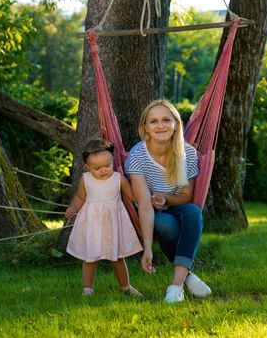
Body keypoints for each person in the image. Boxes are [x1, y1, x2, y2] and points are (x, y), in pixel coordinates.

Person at [124, 99, 212, 303]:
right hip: (150, 214)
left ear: (176, 124)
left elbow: (186, 197)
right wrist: (147, 248)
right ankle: (187, 276)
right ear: (145, 127)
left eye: (166, 120)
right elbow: (144, 205)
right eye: (153, 121)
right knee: (165, 223)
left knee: (193, 212)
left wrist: (165, 198)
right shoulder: (138, 155)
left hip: (175, 205)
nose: (160, 125)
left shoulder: (187, 153)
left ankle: (177, 285)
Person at [66, 138, 143, 297]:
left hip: (113, 224)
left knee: (117, 257)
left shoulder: (118, 178)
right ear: (87, 167)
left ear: (112, 160)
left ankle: (125, 287)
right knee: (90, 257)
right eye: (97, 168)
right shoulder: (85, 179)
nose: (103, 170)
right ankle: (87, 289)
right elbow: (80, 198)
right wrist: (73, 208)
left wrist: (147, 193)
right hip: (92, 224)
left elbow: (133, 196)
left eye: (107, 166)